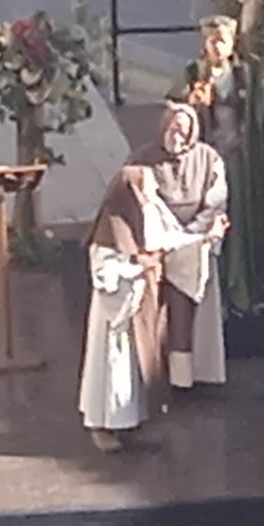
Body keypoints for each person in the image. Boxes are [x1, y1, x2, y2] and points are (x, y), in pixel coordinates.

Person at [83, 158, 178, 448]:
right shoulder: (110, 226)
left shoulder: (141, 215)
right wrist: (139, 266)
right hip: (115, 311)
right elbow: (104, 274)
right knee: (112, 367)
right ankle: (104, 425)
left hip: (135, 304)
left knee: (132, 368)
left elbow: (166, 237)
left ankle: (129, 420)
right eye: (146, 188)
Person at [153, 95, 236, 395]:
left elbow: (216, 200)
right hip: (161, 245)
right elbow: (145, 202)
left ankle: (201, 374)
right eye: (174, 127)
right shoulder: (144, 159)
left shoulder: (209, 158)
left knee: (198, 316)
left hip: (198, 244)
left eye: (185, 128)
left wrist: (195, 234)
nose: (179, 133)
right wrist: (171, 236)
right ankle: (168, 375)